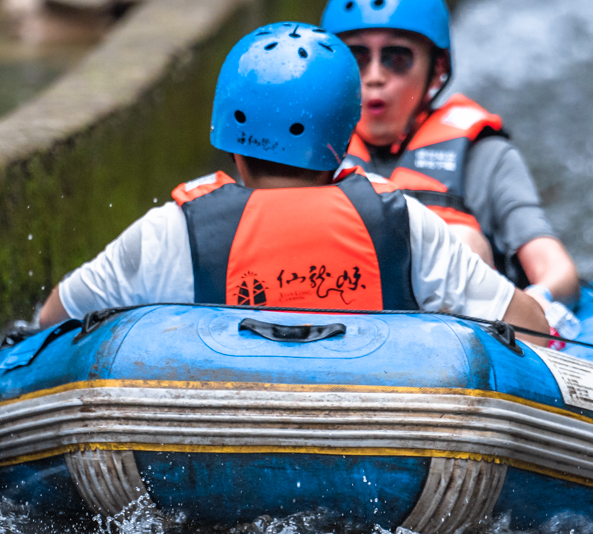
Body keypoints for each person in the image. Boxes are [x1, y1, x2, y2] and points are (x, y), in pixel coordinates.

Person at [37, 21, 551, 338]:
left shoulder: (171, 230)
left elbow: (53, 319)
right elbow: (529, 327)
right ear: (345, 134)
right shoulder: (403, 222)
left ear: (227, 133)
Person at [320, 0, 581, 309]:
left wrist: (535, 305)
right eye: (356, 59)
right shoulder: (305, 150)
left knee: (464, 241)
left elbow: (555, 269)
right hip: (340, 314)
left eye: (396, 58)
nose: (374, 77)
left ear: (436, 69)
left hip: (454, 329)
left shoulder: (485, 156)